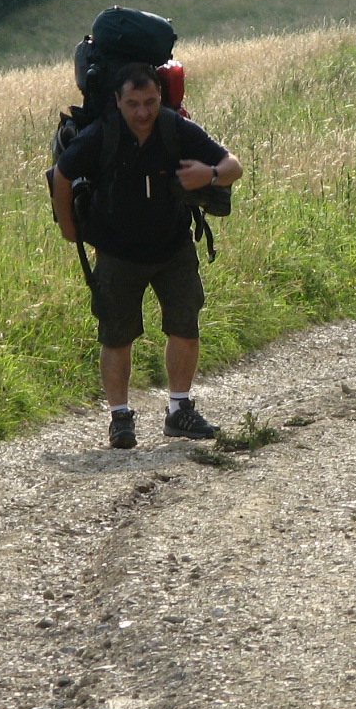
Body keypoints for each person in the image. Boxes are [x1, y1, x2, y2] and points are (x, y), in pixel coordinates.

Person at [52, 62, 243, 449]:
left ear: (160, 98)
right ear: (117, 101)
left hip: (173, 246)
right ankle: (120, 418)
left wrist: (209, 175)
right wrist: (69, 229)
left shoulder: (176, 128)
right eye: (133, 103)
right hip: (117, 251)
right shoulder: (101, 133)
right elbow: (62, 174)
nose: (143, 112)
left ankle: (179, 411)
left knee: (184, 325)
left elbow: (233, 166)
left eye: (151, 102)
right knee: (116, 335)